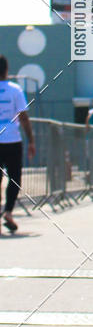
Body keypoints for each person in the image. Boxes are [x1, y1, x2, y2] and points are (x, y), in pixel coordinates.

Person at [0, 56, 35, 234]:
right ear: (7, 70)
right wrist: (31, 140)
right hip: (12, 140)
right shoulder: (15, 90)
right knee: (14, 178)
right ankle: (8, 212)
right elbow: (24, 117)